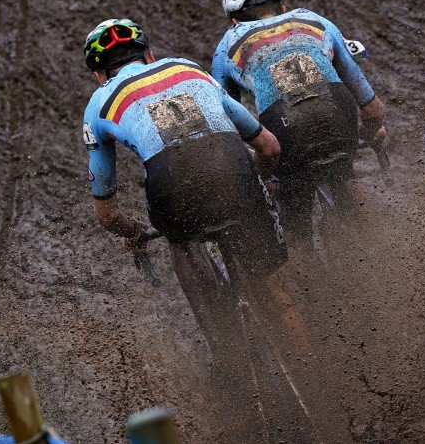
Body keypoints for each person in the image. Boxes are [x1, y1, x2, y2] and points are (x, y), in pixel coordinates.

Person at [82, 18, 286, 277]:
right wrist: (261, 179)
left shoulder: (98, 102)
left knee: (180, 241)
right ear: (150, 56)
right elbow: (270, 147)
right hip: (230, 168)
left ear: (99, 76)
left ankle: (212, 313)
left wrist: (133, 232)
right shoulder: (187, 67)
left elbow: (107, 215)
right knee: (275, 285)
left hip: (170, 185)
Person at [212, 0, 387, 237]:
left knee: (295, 215)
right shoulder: (314, 19)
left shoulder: (226, 44)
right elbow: (371, 106)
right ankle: (389, 244)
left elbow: (229, 126)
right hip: (338, 112)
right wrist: (370, 130)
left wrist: (260, 172)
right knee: (344, 177)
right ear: (283, 7)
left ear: (235, 20)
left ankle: (306, 263)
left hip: (284, 127)